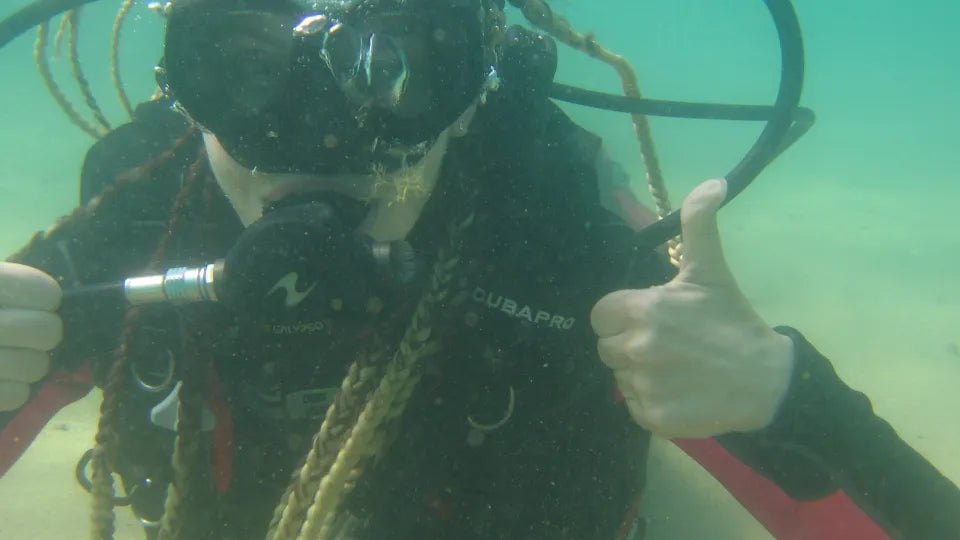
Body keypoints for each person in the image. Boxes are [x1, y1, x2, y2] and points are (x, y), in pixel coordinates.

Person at [0, 0, 958, 539]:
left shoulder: (563, 237)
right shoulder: (135, 225)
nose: (316, 142)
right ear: (181, 87)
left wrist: (792, 402)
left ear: (478, 83)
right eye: (242, 66)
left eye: (401, 64)